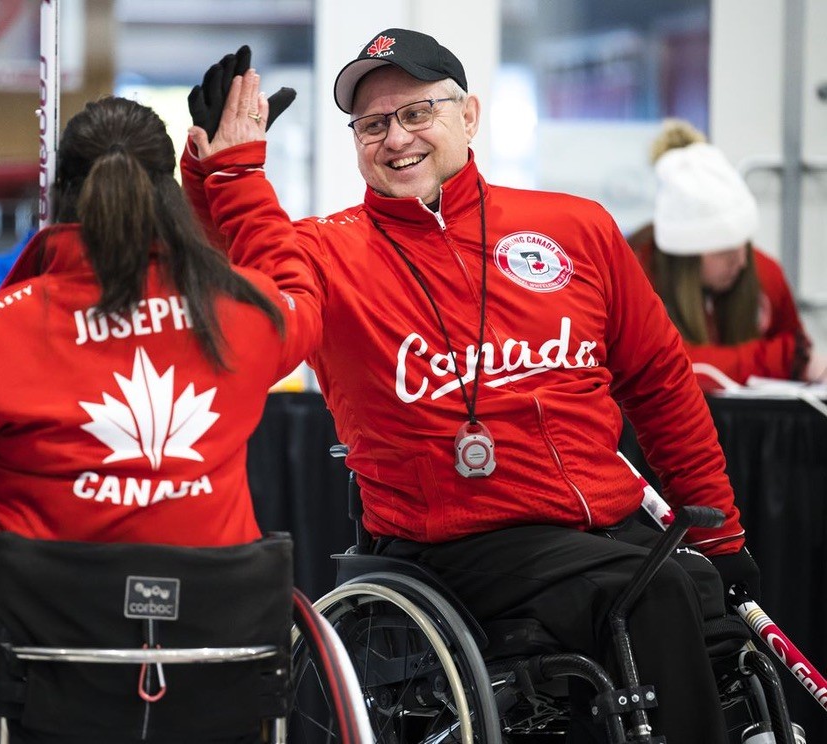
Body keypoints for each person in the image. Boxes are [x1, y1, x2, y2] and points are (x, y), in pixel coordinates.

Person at [182, 29, 759, 743]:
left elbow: (661, 384)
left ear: (469, 114)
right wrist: (221, 173)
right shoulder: (324, 252)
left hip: (602, 526)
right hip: (457, 539)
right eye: (371, 124)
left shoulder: (573, 227)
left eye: (416, 113)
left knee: (706, 594)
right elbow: (237, 260)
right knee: (653, 589)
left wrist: (721, 527)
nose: (395, 139)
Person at [0, 96, 320, 743]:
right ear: (164, 194)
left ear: (60, 197)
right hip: (211, 663)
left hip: (37, 675)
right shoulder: (241, 318)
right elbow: (297, 288)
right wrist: (231, 175)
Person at [627, 118, 827, 389]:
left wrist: (795, 361)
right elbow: (655, 368)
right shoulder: (636, 276)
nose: (743, 262)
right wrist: (778, 360)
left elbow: (801, 362)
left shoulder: (764, 274)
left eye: (744, 245)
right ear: (687, 256)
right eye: (725, 252)